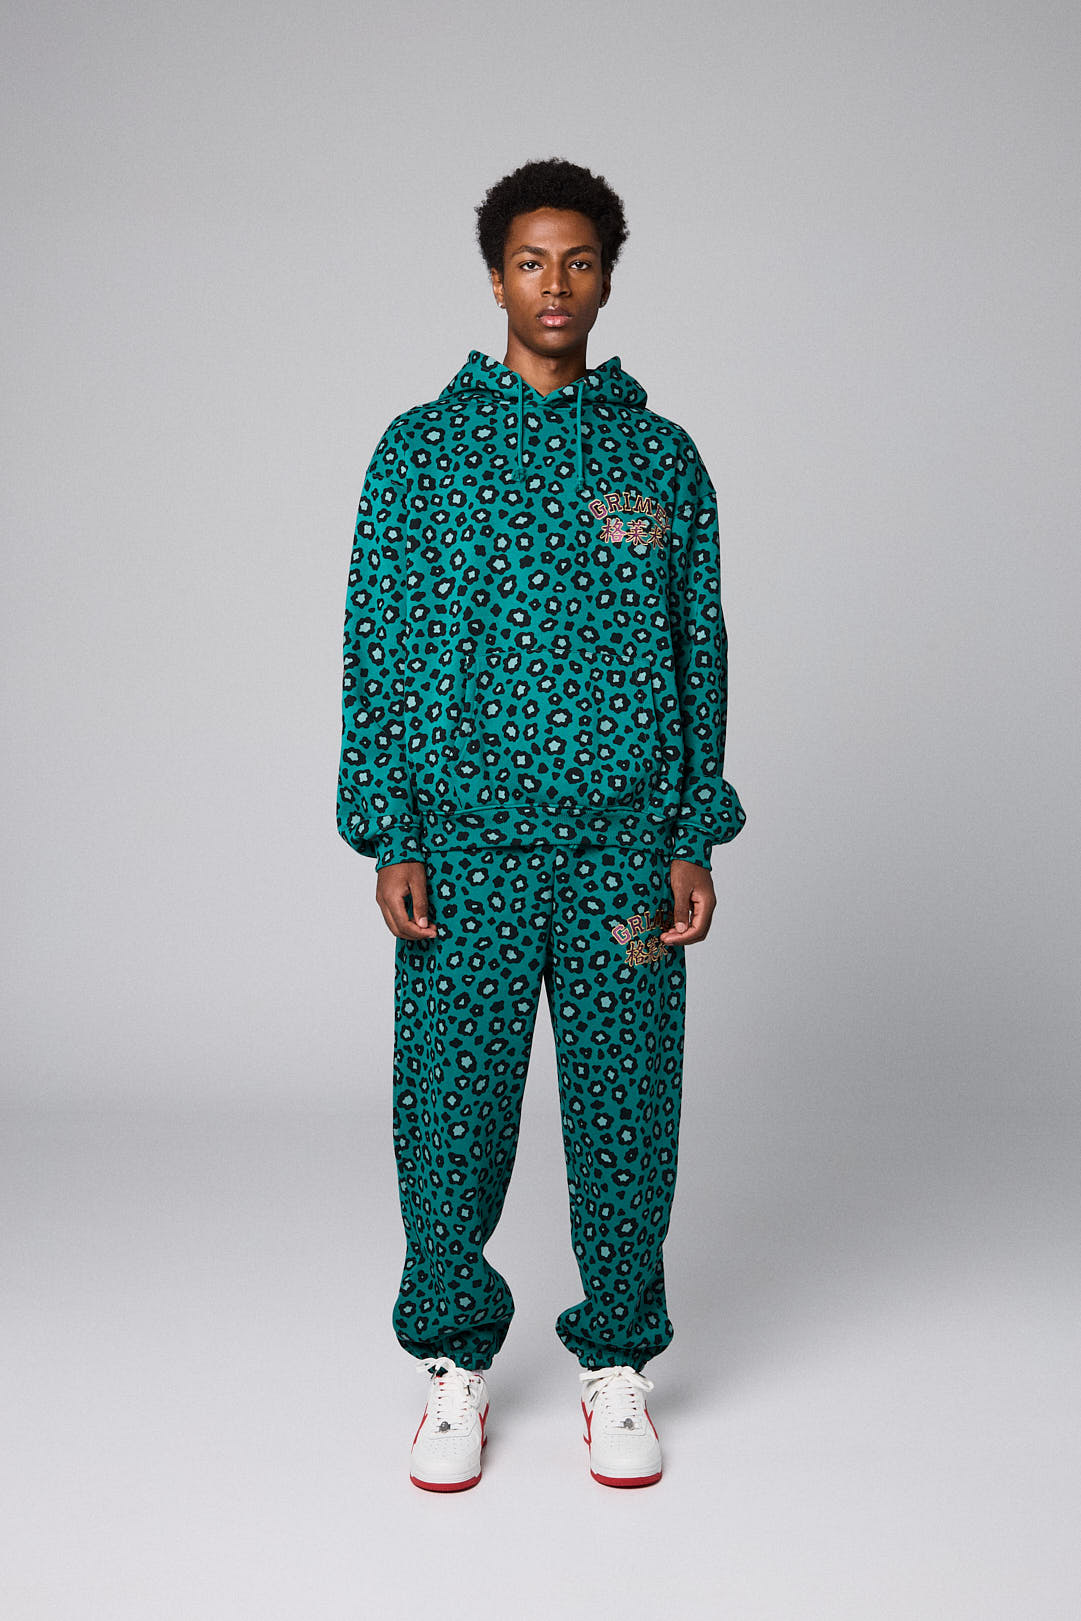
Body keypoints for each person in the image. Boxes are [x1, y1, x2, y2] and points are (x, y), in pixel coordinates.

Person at [336, 157, 745, 1492]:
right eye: (530, 261)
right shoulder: (421, 451)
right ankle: (453, 1366)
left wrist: (690, 832)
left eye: (578, 261)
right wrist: (391, 829)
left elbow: (699, 653)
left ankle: (617, 1364)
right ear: (495, 277)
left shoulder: (660, 458)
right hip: (463, 850)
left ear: (607, 278)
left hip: (625, 855)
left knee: (627, 1115)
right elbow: (377, 649)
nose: (554, 285)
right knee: (449, 1117)